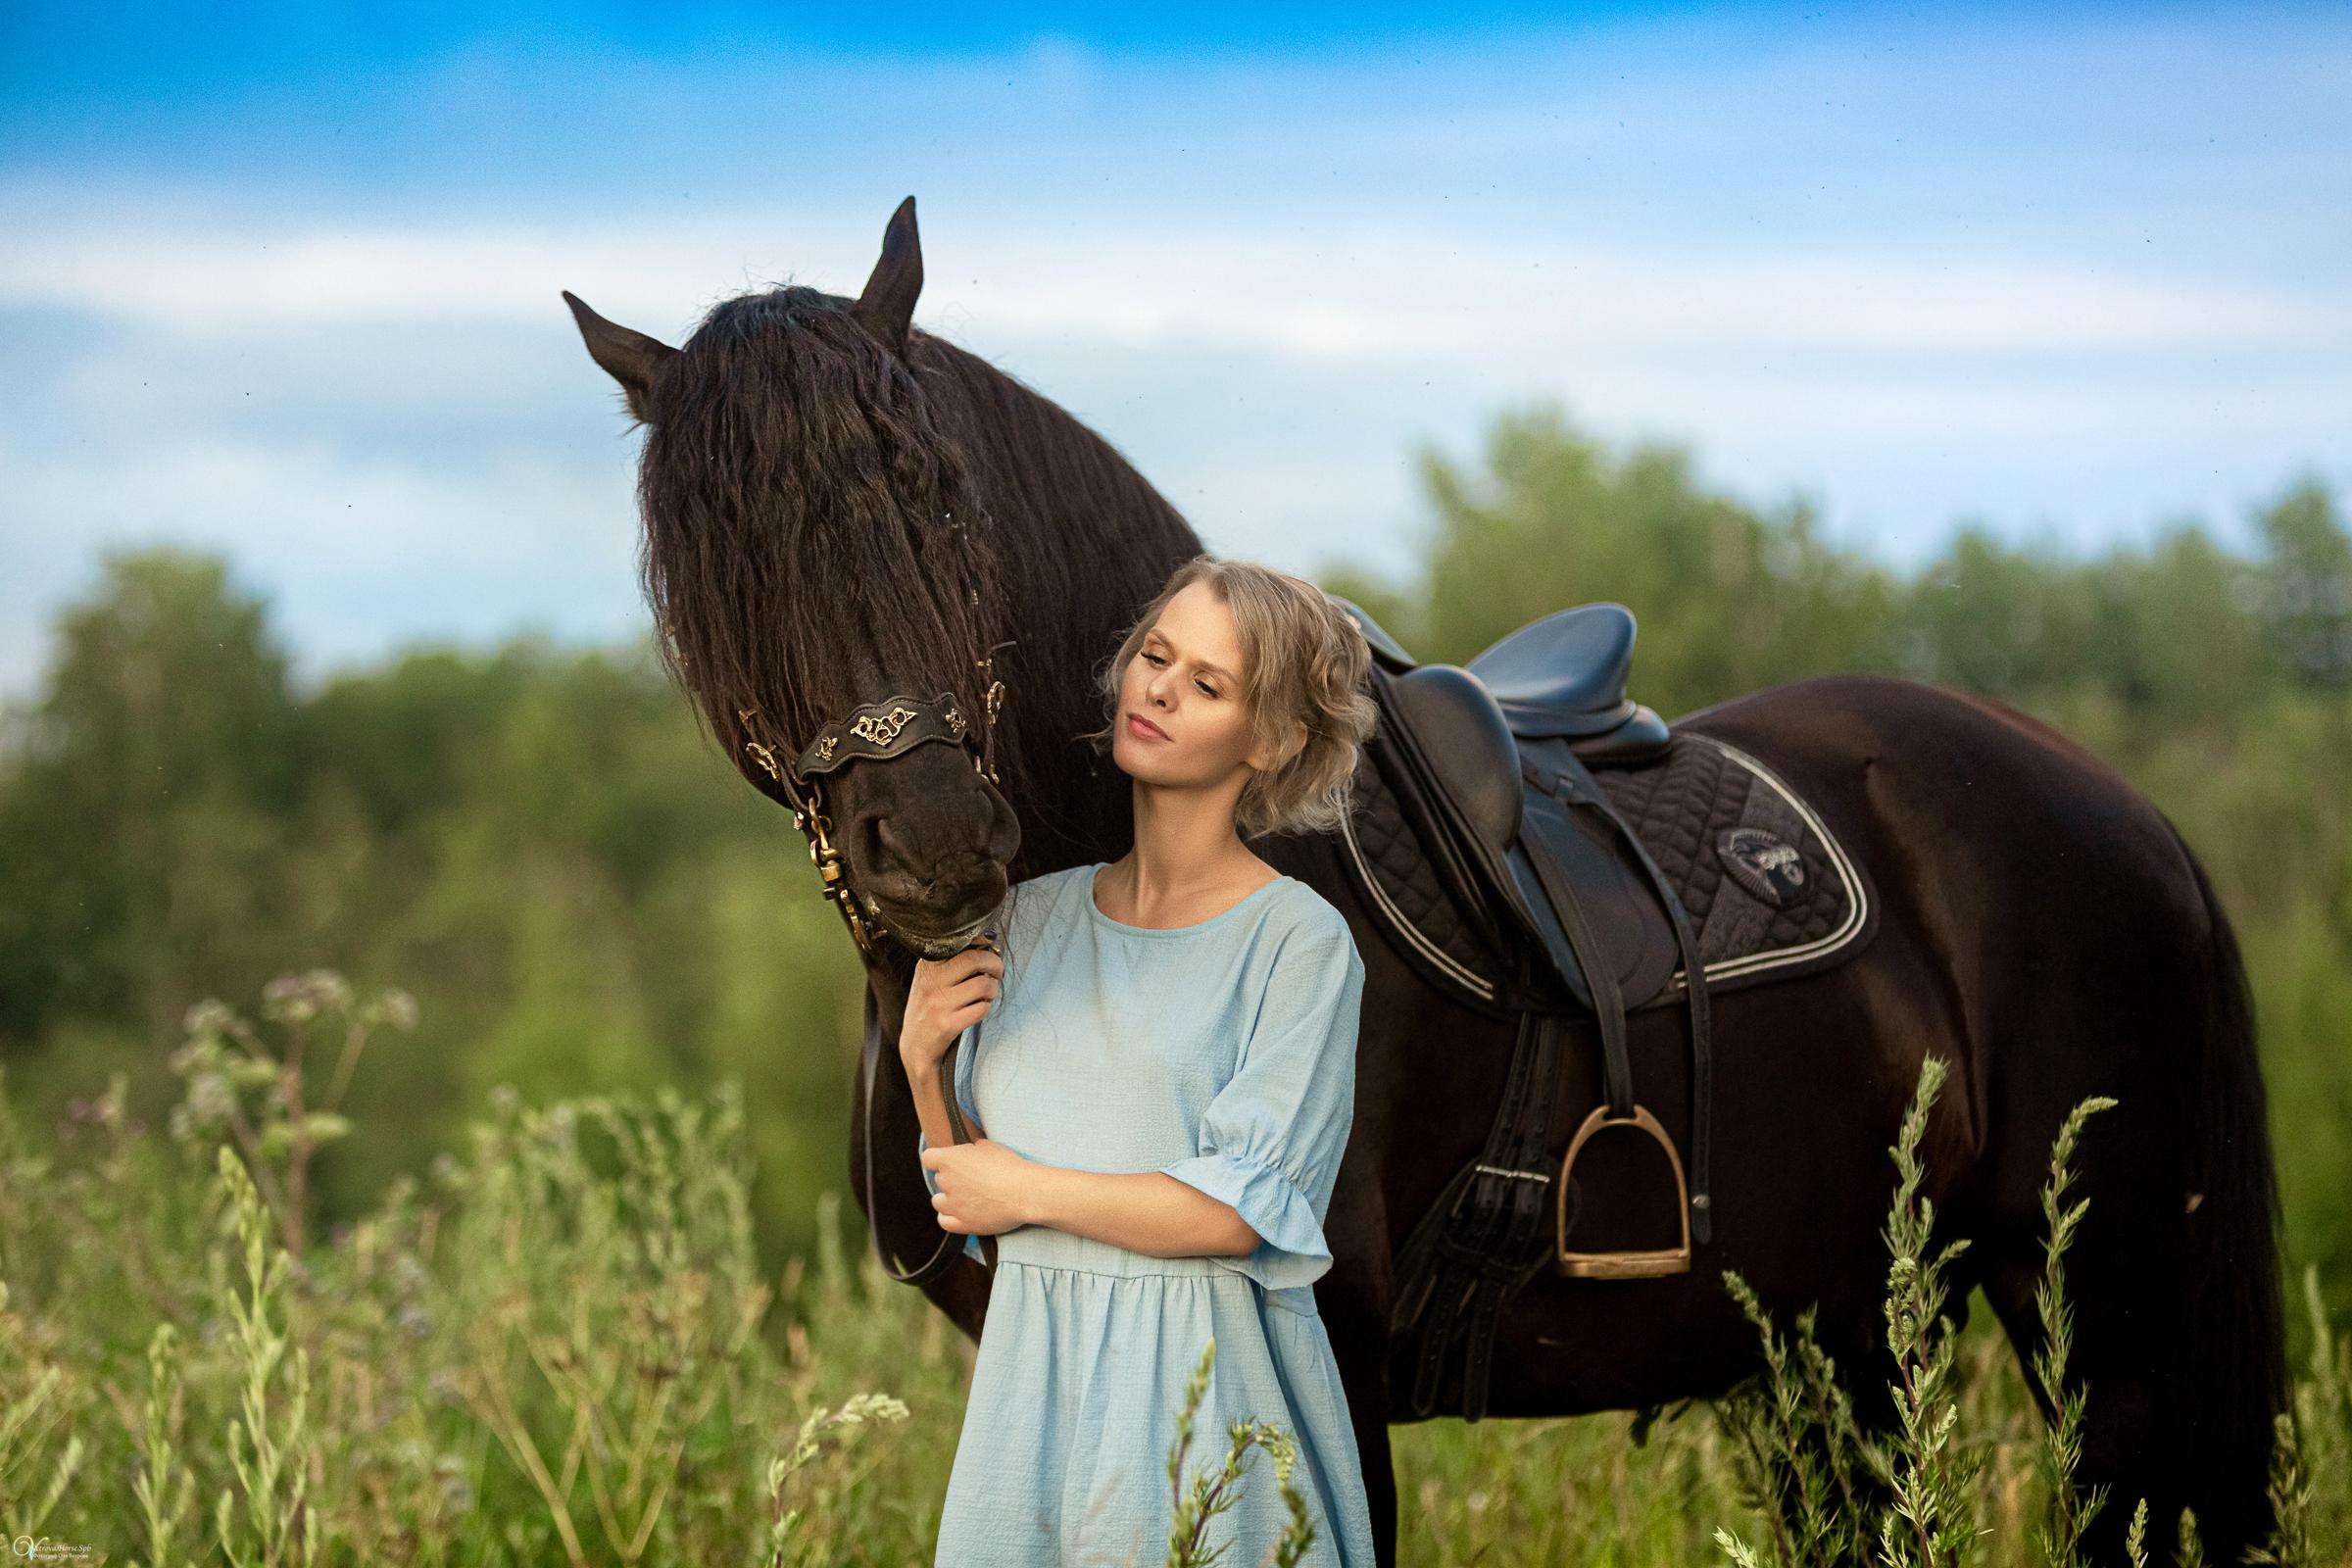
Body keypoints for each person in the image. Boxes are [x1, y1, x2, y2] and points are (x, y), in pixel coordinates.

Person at [904, 554, 1382, 1566]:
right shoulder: (1026, 918)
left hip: (1202, 1403)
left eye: (1207, 683)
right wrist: (919, 1065)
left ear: (1277, 737)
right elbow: (972, 1207)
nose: (1159, 686)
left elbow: (1235, 1213)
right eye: (1154, 655)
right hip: (1030, 1399)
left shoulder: (1298, 942)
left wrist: (1025, 1183)